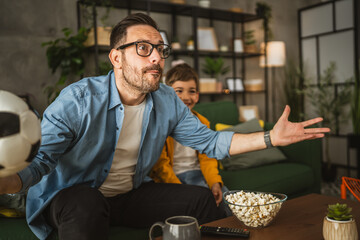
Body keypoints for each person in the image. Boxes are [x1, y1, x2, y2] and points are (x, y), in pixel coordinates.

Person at [0, 13, 329, 240]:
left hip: (128, 195)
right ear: (116, 57)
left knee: (203, 201)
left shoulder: (167, 100)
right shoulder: (79, 99)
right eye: (144, 48)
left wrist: (272, 137)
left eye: (161, 50)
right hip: (75, 196)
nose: (157, 57)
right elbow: (42, 162)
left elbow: (211, 142)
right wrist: (9, 181)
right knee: (86, 204)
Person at [149, 63, 231, 216]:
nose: (186, 97)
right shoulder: (161, 123)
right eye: (178, 91)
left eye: (191, 91)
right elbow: (160, 165)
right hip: (173, 178)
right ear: (167, 94)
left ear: (197, 96)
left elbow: (208, 158)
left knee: (227, 201)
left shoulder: (202, 122)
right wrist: (179, 190)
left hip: (198, 174)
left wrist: (214, 182)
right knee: (194, 207)